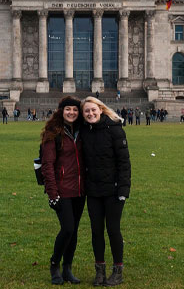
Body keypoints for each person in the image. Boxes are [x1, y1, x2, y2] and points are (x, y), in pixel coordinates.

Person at [80, 96, 131, 286]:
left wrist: (123, 190)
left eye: (93, 110)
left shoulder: (115, 130)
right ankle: (99, 271)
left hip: (114, 190)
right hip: (93, 190)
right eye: (87, 111)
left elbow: (124, 163)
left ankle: (118, 271)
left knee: (113, 229)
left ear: (101, 109)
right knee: (96, 231)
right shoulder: (84, 130)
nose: (91, 113)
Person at [41, 96, 85, 285]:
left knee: (73, 231)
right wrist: (52, 193)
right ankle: (54, 264)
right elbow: (47, 164)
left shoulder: (83, 131)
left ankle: (67, 268)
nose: (71, 113)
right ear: (61, 111)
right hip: (61, 189)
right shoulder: (53, 132)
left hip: (79, 189)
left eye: (75, 110)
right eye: (68, 109)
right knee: (67, 228)